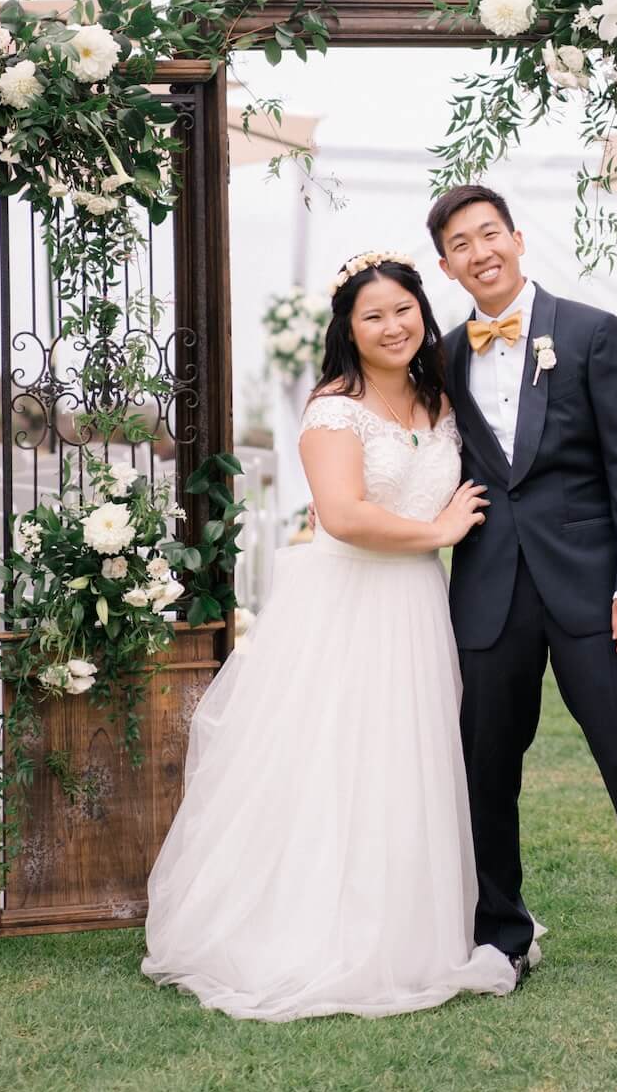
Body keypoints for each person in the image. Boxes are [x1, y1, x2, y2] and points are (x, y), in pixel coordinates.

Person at [141, 251, 520, 1020]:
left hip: (417, 603)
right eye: (373, 316)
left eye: (403, 310)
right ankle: (319, 929)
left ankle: (417, 926)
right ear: (348, 329)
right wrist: (440, 529)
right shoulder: (333, 410)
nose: (392, 326)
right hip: (347, 600)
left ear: (423, 314)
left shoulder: (442, 397)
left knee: (409, 759)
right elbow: (343, 515)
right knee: (337, 757)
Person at [428, 183, 617, 1003]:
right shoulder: (444, 357)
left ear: (517, 239)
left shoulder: (593, 333)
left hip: (595, 591)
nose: (480, 251)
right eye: (461, 244)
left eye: (490, 233)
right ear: (447, 267)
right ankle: (502, 936)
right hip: (488, 590)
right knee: (486, 767)